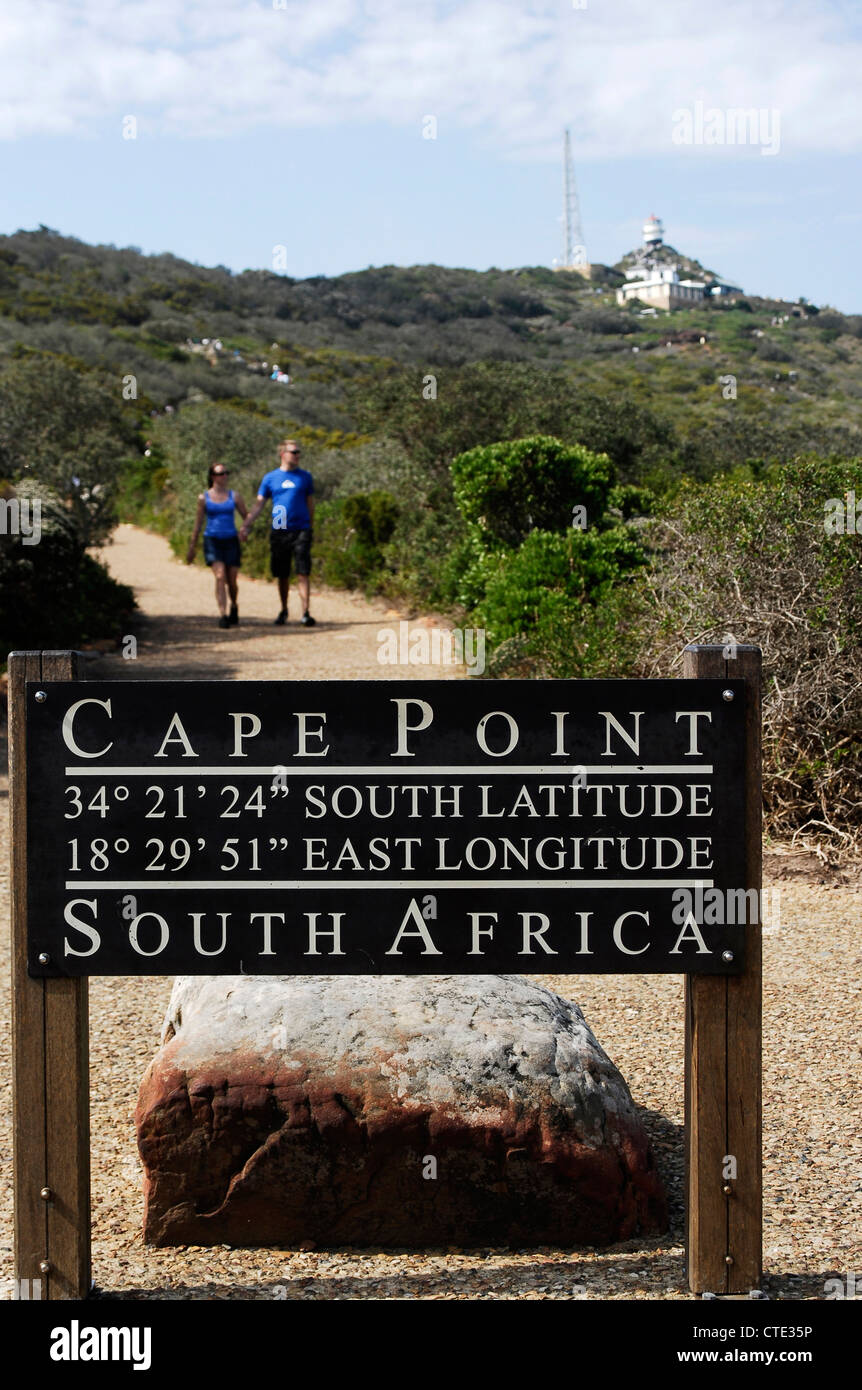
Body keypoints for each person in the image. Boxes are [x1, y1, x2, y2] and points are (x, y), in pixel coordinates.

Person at [240, 440, 316, 626]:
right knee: (282, 574)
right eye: (294, 452)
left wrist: (310, 525)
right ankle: (284, 609)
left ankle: (305, 612)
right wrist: (246, 525)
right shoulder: (270, 478)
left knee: (303, 571)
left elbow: (311, 503)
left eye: (299, 452)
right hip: (280, 528)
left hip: (301, 529)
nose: (297, 455)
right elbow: (259, 504)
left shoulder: (305, 477)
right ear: (283, 454)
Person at [187, 464, 248, 628]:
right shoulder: (204, 498)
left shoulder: (234, 496)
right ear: (213, 476)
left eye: (226, 473)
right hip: (212, 540)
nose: (224, 476)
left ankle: (234, 605)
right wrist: (192, 546)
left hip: (231, 540)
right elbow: (198, 523)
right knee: (220, 575)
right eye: (221, 473)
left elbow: (246, 516)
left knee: (232, 580)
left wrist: (244, 529)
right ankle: (223, 614)